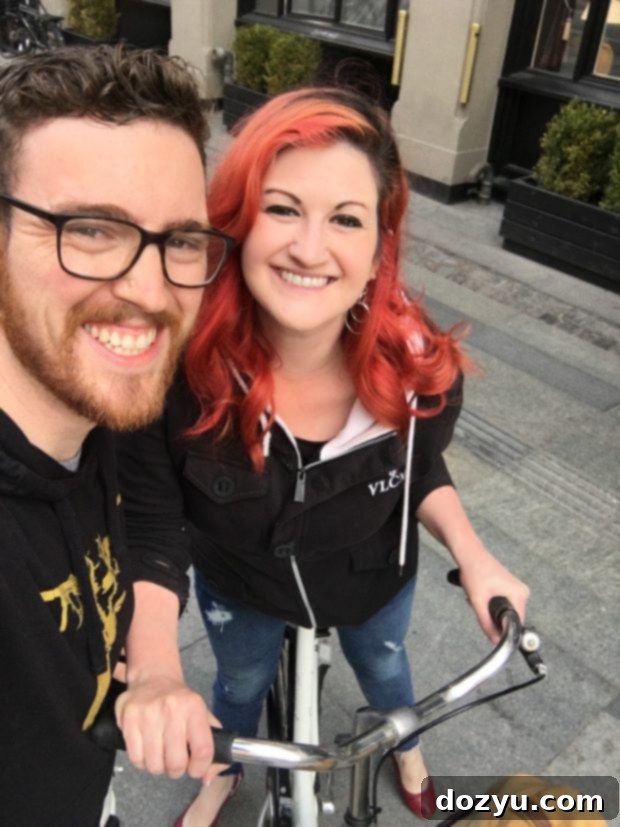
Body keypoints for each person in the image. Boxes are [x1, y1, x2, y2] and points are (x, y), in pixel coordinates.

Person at [117, 87, 530, 827]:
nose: (311, 248)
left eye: (346, 219)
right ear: (238, 224)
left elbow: (421, 470)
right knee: (237, 686)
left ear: (379, 249)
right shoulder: (177, 375)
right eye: (282, 209)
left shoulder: (419, 374)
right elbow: (153, 525)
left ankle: (407, 745)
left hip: (373, 577)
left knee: (387, 669)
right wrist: (152, 668)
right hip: (241, 581)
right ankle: (221, 771)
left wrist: (475, 554)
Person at [0, 45, 233, 827]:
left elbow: (152, 516)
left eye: (181, 241)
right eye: (91, 229)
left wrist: (157, 667)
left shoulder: (99, 418)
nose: (149, 290)